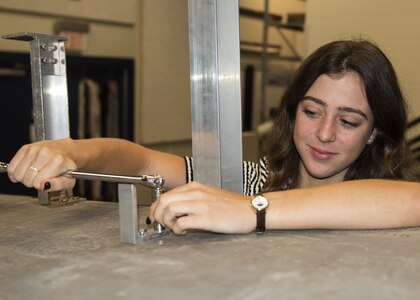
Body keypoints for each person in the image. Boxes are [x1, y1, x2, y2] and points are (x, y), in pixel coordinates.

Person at [6, 39, 420, 235]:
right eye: (311, 112)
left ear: (374, 133)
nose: (324, 133)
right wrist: (71, 151)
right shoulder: (249, 180)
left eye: (349, 122)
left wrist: (252, 212)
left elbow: (413, 199)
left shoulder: (382, 201)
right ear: (291, 112)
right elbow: (142, 162)